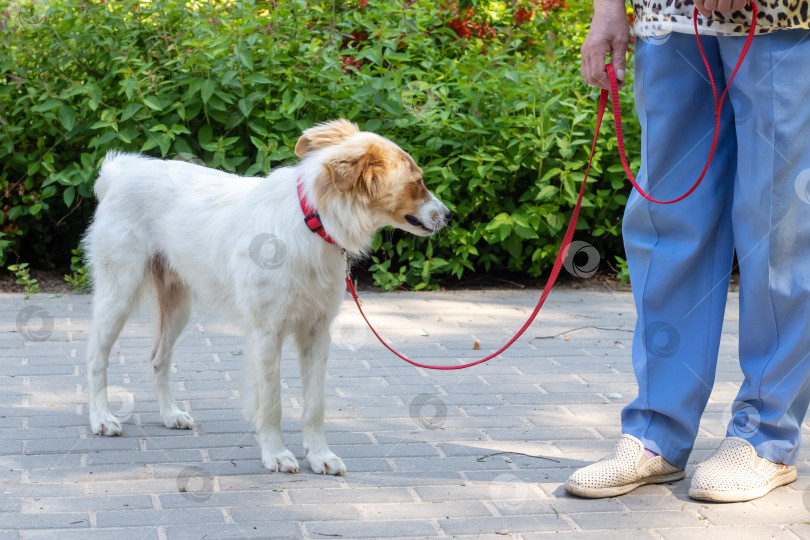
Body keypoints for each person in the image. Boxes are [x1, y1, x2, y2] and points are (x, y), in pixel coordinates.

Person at [566, 0, 810, 502]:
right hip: (667, 18)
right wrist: (608, 8)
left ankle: (764, 435)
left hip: (779, 17)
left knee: (777, 223)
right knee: (668, 221)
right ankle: (657, 430)